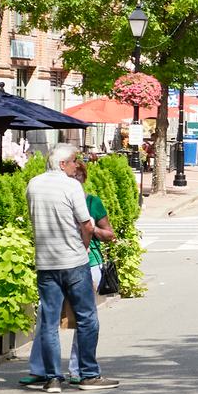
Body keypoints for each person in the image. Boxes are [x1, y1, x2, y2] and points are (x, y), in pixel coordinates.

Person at [22, 145, 113, 391]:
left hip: (46, 262)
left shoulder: (34, 184)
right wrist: (83, 249)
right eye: (73, 161)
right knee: (87, 318)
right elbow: (86, 225)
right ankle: (88, 374)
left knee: (50, 321)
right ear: (62, 164)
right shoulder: (72, 186)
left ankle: (53, 377)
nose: (76, 165)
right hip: (73, 261)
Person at [69, 160, 115, 381]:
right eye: (71, 176)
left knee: (84, 318)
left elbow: (110, 234)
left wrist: (91, 228)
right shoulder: (59, 200)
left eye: (78, 176)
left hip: (90, 264)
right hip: (63, 262)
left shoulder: (92, 202)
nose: (75, 180)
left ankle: (77, 368)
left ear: (83, 179)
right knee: (52, 319)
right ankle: (45, 370)